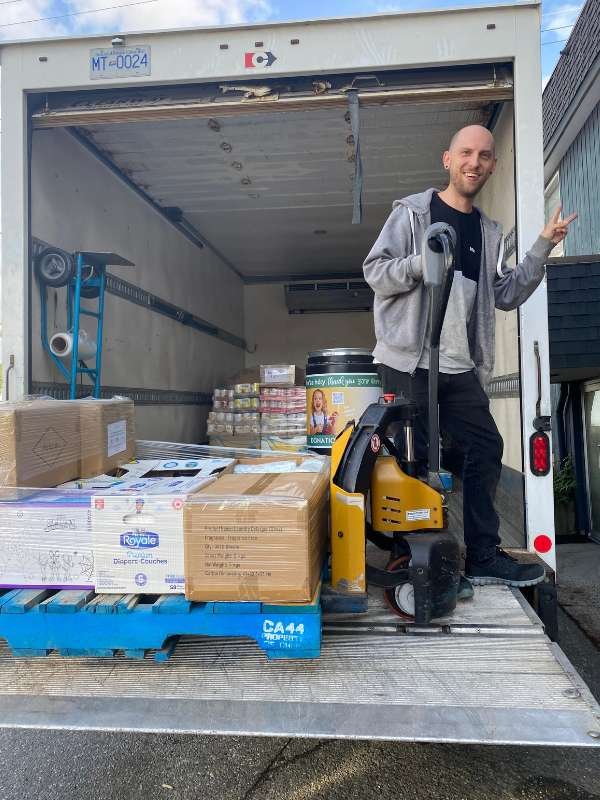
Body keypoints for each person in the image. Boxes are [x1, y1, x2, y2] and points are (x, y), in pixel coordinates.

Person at [363, 124, 576, 587]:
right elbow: (375, 271)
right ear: (447, 159)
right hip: (407, 360)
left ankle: (482, 553)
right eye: (465, 153)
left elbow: (505, 293)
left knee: (485, 447)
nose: (473, 162)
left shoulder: (486, 231)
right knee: (409, 457)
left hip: (458, 365)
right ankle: (410, 554)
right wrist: (422, 264)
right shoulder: (414, 214)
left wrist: (543, 246)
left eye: (483, 155)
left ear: (492, 165)